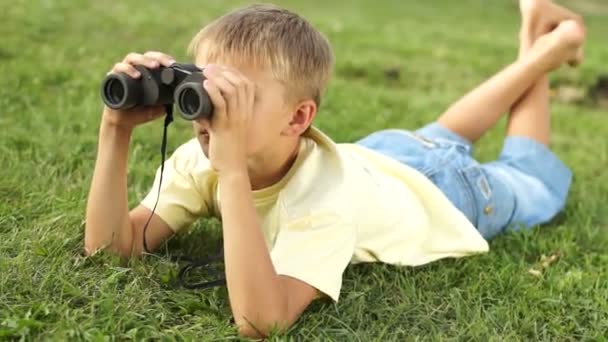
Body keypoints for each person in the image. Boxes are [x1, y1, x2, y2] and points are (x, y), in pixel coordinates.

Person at [84, 0, 586, 338]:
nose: (214, 111)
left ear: (298, 118)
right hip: (382, 156)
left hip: (451, 192)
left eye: (239, 97)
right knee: (443, 135)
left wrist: (233, 173)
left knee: (528, 172)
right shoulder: (201, 156)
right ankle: (540, 38)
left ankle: (545, 46)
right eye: (208, 90)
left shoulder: (322, 199)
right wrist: (116, 130)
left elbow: (261, 322)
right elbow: (111, 250)